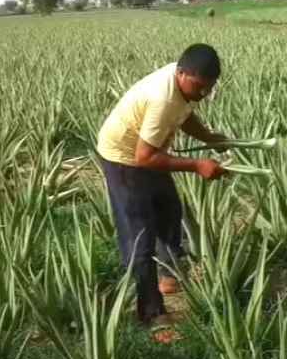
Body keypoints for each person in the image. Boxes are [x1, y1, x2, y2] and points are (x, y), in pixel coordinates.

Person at [96, 43, 228, 335]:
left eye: (208, 89)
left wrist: (207, 136)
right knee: (140, 235)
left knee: (170, 209)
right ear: (182, 73)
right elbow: (144, 157)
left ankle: (167, 274)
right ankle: (151, 314)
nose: (202, 94)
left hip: (148, 151)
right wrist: (197, 165)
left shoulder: (184, 84)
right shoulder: (162, 98)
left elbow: (184, 112)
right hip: (123, 158)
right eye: (198, 87)